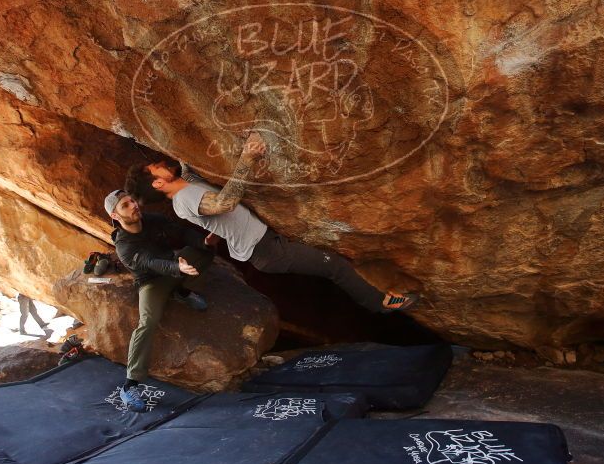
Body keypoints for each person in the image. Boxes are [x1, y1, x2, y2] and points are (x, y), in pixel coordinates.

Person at [124, 132, 420, 314]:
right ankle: (380, 304)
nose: (160, 163)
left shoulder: (186, 186)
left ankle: (379, 300)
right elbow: (225, 202)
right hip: (266, 252)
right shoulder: (183, 201)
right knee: (335, 266)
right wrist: (247, 159)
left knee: (333, 264)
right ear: (160, 183)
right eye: (155, 167)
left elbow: (187, 168)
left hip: (266, 245)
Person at [104, 189, 213, 412]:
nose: (133, 205)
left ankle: (179, 291)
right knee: (148, 322)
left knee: (206, 252)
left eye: (132, 200)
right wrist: (177, 267)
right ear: (115, 216)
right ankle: (130, 385)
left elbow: (181, 232)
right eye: (125, 205)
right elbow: (151, 263)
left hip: (174, 265)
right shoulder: (124, 246)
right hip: (152, 282)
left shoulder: (151, 219)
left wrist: (204, 240)